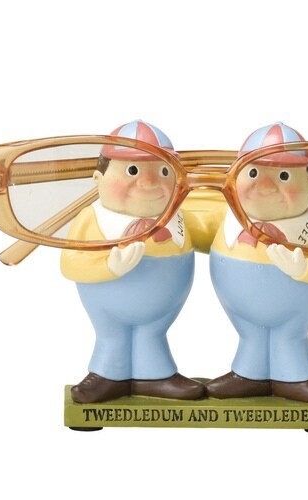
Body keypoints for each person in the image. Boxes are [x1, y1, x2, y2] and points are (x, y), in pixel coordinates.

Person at [206, 122, 308, 404]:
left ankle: (297, 378)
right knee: (252, 336)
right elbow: (185, 235)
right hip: (241, 309)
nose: (266, 187)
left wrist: (305, 269)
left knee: (290, 336)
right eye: (253, 173)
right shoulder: (224, 213)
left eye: (284, 176)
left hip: (296, 310)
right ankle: (247, 375)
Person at [61, 120, 204, 403]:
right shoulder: (92, 218)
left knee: (152, 334)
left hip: (162, 307)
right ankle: (106, 375)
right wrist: (109, 267)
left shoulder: (179, 216)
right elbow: (70, 262)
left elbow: (216, 237)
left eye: (163, 171)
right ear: (98, 179)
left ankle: (156, 376)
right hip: (107, 307)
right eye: (133, 170)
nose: (149, 183)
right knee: (112, 336)